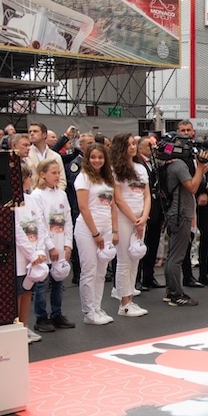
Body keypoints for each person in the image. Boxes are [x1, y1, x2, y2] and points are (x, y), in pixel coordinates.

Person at [74, 143, 119, 324]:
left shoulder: (108, 179)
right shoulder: (83, 178)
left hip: (106, 229)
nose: (97, 160)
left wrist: (114, 231)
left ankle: (98, 307)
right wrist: (95, 234)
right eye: (93, 157)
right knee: (89, 270)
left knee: (101, 272)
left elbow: (113, 206)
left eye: (100, 157)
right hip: (87, 230)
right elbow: (83, 207)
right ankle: (89, 312)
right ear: (87, 158)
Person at [162, 133, 208, 307]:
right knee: (177, 256)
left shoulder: (166, 164)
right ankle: (176, 294)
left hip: (172, 213)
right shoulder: (179, 165)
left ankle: (170, 290)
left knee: (171, 255)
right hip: (181, 213)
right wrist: (200, 167)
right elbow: (193, 186)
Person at [30, 160, 76, 333]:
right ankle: (41, 317)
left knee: (59, 280)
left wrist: (67, 244)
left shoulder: (61, 194)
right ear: (42, 174)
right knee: (42, 283)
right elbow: (39, 223)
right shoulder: (37, 195)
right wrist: (50, 246)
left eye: (59, 173)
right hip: (45, 246)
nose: (58, 176)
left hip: (60, 244)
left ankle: (57, 314)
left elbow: (68, 220)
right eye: (54, 173)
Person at [110, 133, 150, 318]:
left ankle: (130, 298)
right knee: (124, 260)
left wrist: (144, 216)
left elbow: (146, 195)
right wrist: (134, 219)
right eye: (129, 145)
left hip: (141, 217)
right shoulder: (115, 170)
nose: (133, 147)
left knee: (136, 258)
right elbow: (117, 198)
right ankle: (123, 303)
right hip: (125, 218)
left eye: (134, 143)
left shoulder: (141, 168)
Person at [14, 164, 48, 344]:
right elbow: (16, 231)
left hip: (35, 254)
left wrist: (40, 250)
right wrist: (31, 254)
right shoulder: (11, 203)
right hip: (21, 257)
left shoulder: (31, 200)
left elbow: (40, 225)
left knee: (28, 292)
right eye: (27, 177)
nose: (29, 181)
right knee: (18, 293)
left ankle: (25, 326)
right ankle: (16, 328)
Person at [135, 135, 165, 291]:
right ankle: (137, 279)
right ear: (139, 148)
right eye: (149, 146)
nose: (153, 149)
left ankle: (149, 276)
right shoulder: (138, 164)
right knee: (142, 244)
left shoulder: (155, 162)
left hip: (156, 208)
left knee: (153, 243)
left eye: (154, 146)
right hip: (144, 208)